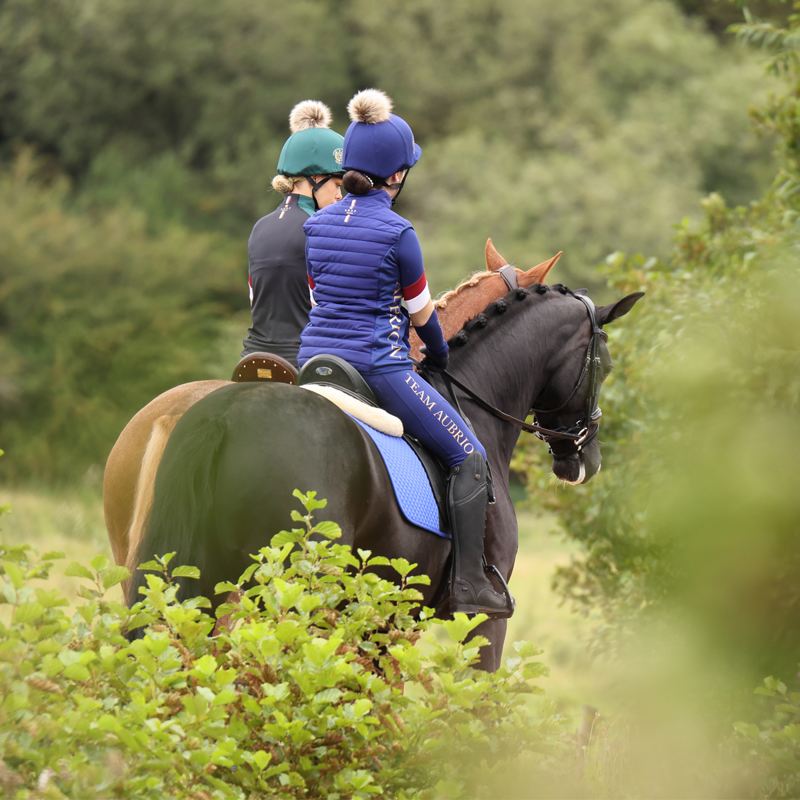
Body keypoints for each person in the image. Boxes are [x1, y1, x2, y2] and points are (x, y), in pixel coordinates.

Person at [298, 89, 512, 619]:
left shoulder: (315, 225)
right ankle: (467, 584)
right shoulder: (399, 233)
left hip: (314, 362)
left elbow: (317, 297)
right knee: (470, 456)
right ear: (395, 176)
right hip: (378, 365)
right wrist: (439, 355)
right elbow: (422, 316)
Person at [241, 100, 345, 368]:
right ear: (313, 179)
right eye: (335, 184)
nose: (339, 196)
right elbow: (335, 312)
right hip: (305, 362)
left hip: (253, 359)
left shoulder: (259, 227)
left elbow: (256, 301)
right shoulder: (322, 228)